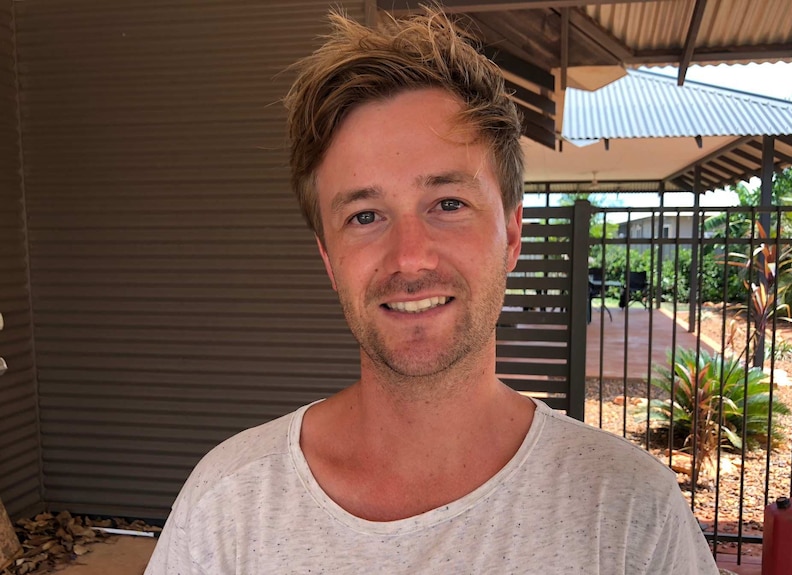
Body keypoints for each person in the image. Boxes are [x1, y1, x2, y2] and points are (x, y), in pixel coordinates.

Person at [145, 9, 719, 574]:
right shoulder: (227, 506)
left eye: (448, 204)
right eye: (365, 216)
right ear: (328, 258)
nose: (410, 257)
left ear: (511, 236)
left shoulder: (628, 513)